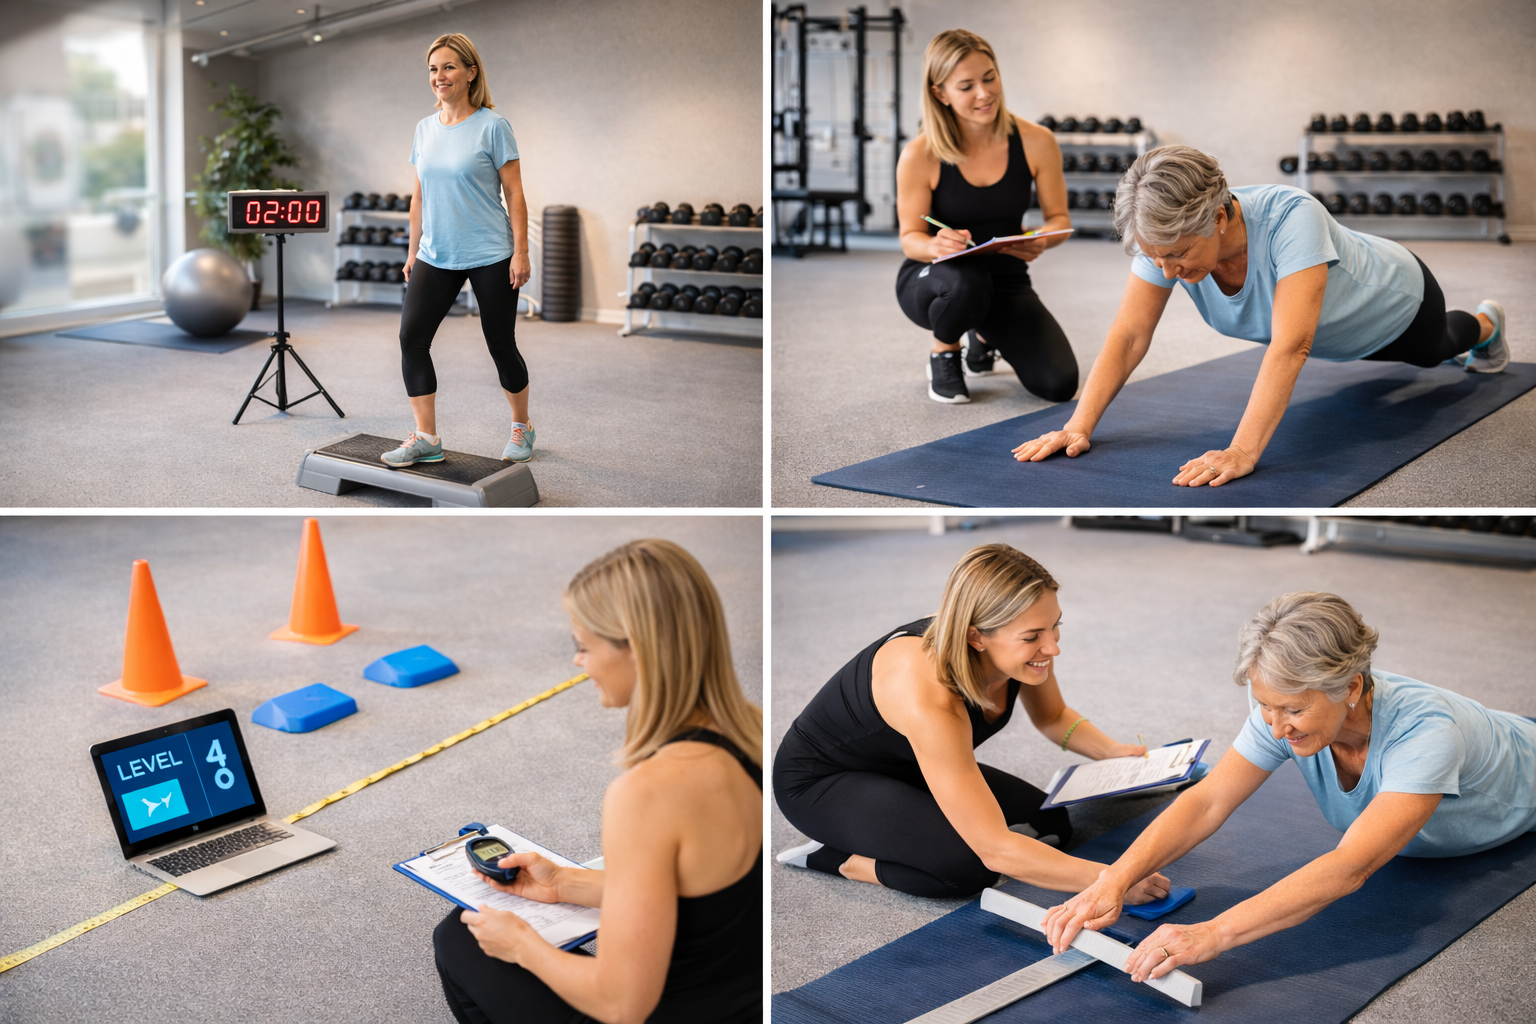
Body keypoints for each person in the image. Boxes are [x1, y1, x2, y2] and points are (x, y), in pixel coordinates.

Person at [1041, 591, 1536, 986]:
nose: (1276, 727)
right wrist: (1113, 879)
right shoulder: (1280, 710)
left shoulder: (1427, 733)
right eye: (1266, 706)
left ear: (1353, 688)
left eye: (1294, 711)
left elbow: (1350, 866)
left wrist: (1212, 934)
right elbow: (1207, 800)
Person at [1011, 144, 1509, 486]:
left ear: (1220, 217)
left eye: (1177, 254)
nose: (1165, 269)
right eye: (1154, 256)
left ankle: (1486, 324)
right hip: (1337, 333)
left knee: (1435, 352)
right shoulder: (1162, 239)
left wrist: (1242, 452)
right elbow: (1130, 334)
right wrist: (1079, 425)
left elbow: (1291, 346)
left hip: (1396, 301)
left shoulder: (1292, 215)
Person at [433, 540, 763, 1024]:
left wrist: (522, 946)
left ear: (638, 649)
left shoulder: (648, 793)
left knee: (459, 938)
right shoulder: (749, 731)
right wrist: (564, 881)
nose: (578, 662)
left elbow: (621, 1004)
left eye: (584, 646)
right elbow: (701, 891)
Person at [774, 542, 1171, 903]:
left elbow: (1052, 717)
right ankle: (838, 858)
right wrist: (1111, 880)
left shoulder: (1017, 651)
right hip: (821, 783)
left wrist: (1113, 753)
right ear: (975, 637)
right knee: (967, 870)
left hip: (908, 765)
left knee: (1051, 823)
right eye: (1033, 636)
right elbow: (995, 847)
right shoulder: (928, 694)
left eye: (1055, 626)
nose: (1052, 647)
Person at [894, 29, 1076, 405]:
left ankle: (984, 335)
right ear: (940, 93)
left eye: (989, 77)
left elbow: (1058, 218)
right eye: (966, 86)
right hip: (935, 279)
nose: (984, 93)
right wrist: (933, 244)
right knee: (966, 282)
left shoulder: (1036, 141)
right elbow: (909, 237)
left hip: (1005, 279)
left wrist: (1041, 237)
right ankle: (944, 351)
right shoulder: (920, 153)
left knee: (1058, 384)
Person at [383, 33, 535, 468]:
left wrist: (520, 252)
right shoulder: (424, 129)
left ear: (471, 72)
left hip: (490, 251)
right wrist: (413, 252)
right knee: (412, 338)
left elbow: (516, 194)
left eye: (449, 67)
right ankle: (427, 437)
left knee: (500, 345)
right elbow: (418, 197)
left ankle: (522, 426)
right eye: (433, 69)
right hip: (436, 253)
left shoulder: (493, 125)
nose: (440, 76)